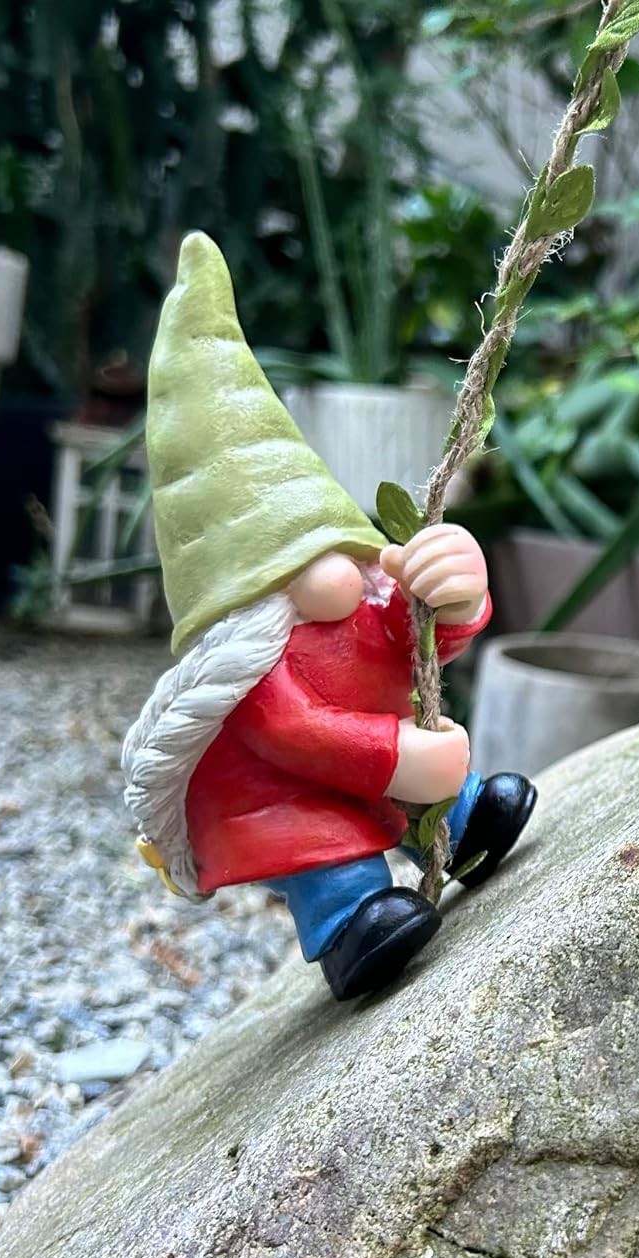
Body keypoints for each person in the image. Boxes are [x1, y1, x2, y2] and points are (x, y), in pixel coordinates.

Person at [122, 233, 534, 1001]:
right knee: (330, 847)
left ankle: (463, 824)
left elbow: (410, 637)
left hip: (386, 765)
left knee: (423, 786)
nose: (343, 577)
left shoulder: (360, 603)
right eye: (305, 565)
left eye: (338, 550)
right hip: (291, 793)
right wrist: (396, 756)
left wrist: (455, 591)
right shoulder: (253, 669)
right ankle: (349, 925)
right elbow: (299, 735)